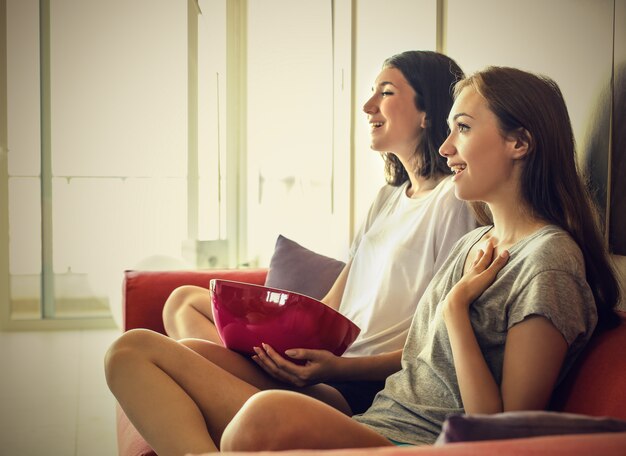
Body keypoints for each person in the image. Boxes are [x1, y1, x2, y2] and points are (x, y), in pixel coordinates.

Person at [211, 66, 622, 452]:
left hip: (420, 445)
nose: (445, 149)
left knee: (262, 417)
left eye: (463, 128)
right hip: (377, 422)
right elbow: (415, 367)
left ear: (520, 142)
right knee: (148, 351)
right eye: (449, 131)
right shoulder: (475, 242)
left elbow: (501, 434)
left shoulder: (548, 261)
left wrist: (456, 310)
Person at [151, 50, 476, 416]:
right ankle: (248, 403)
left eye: (385, 93)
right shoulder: (388, 198)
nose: (368, 106)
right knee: (183, 302)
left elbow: (436, 333)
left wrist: (336, 368)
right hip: (328, 362)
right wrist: (274, 332)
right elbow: (331, 305)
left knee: (185, 357)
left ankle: (247, 407)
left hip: (359, 380)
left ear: (426, 112)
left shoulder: (453, 200)